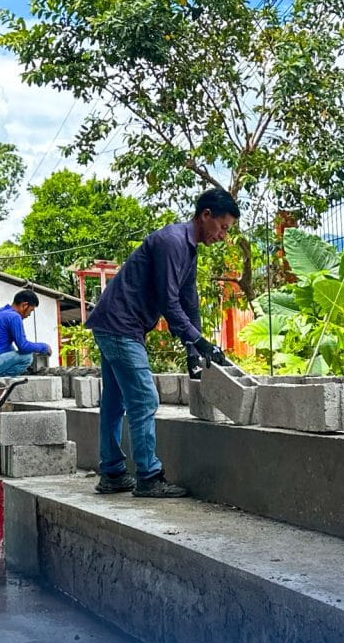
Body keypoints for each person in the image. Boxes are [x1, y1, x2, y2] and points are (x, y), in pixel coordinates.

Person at [86, 188, 239, 498]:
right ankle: (149, 476)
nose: (223, 236)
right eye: (222, 227)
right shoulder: (171, 242)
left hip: (116, 324)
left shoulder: (189, 249)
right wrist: (199, 341)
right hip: (121, 326)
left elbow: (188, 301)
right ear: (205, 215)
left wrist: (193, 351)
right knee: (144, 399)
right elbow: (169, 303)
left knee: (114, 402)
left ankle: (113, 473)